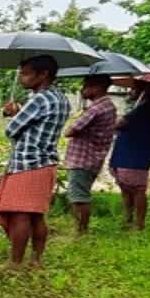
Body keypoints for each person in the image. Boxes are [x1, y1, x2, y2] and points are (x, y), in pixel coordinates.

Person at [0, 55, 70, 269]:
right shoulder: (60, 97)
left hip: (28, 163)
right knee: (36, 215)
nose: (21, 78)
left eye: (26, 73)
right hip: (46, 161)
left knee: (20, 214)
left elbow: (11, 129)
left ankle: (15, 262)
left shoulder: (39, 99)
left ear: (43, 74)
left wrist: (12, 114)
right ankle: (36, 260)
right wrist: (21, 113)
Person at [63, 74, 117, 234]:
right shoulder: (108, 106)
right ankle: (81, 230)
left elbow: (69, 131)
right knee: (80, 194)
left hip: (83, 158)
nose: (82, 89)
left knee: (79, 197)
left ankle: (81, 232)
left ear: (98, 87)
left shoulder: (96, 108)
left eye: (86, 85)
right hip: (93, 157)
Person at [109, 81, 150, 230]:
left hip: (135, 155)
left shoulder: (147, 108)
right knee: (125, 187)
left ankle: (139, 224)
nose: (130, 91)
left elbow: (120, 123)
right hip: (124, 152)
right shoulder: (139, 106)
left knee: (137, 189)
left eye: (134, 89)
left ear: (145, 90)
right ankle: (128, 219)